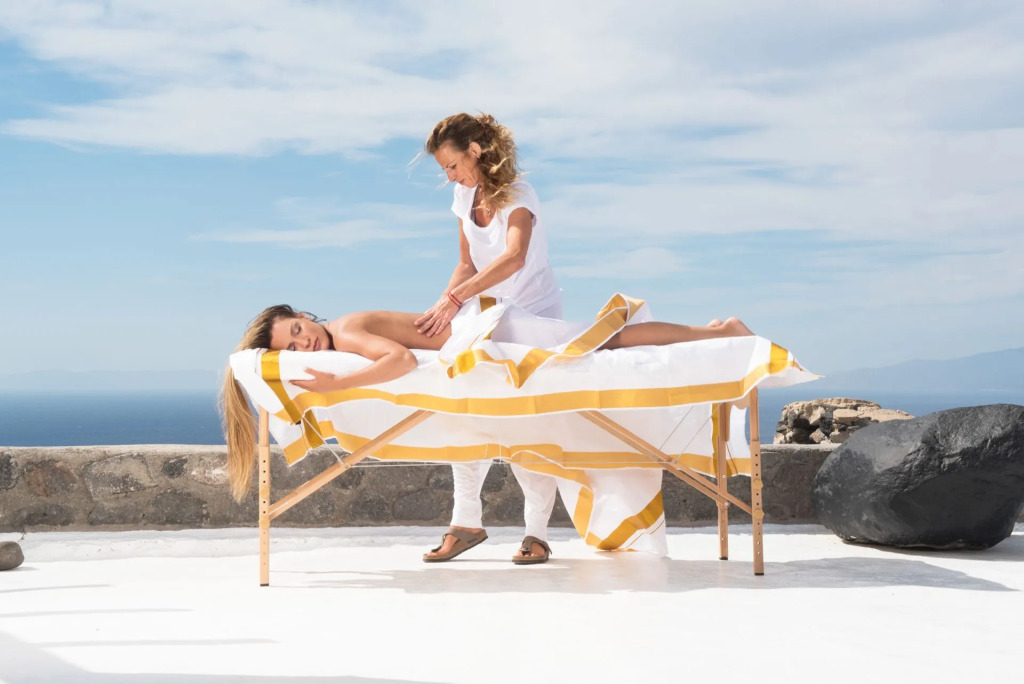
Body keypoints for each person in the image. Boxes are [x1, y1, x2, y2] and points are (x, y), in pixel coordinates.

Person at [220, 301, 754, 546]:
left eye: (297, 330)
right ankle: (710, 332)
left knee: (606, 343)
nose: (304, 343)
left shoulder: (347, 329)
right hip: (493, 331)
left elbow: (399, 361)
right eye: (292, 347)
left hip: (503, 333)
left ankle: (720, 334)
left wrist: (336, 388)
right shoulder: (340, 335)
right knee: (606, 343)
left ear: (304, 315)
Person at [415, 112, 565, 564]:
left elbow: (514, 257)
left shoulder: (520, 195)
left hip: (533, 318)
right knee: (466, 411)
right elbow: (467, 263)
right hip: (488, 317)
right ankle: (465, 523)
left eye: (452, 165)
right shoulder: (464, 197)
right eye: (444, 169)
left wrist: (456, 299)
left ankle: (537, 533)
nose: (450, 176)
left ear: (475, 151)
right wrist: (442, 306)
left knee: (526, 425)